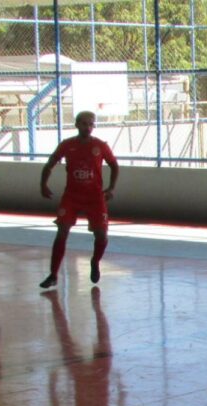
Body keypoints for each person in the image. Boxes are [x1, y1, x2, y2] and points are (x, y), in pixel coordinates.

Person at [39, 111, 119, 289]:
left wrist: (111, 188)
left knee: (102, 236)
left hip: (95, 197)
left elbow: (114, 165)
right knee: (62, 232)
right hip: (72, 196)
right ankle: (53, 274)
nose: (87, 127)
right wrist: (43, 185)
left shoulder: (100, 146)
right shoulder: (67, 145)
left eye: (91, 124)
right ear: (76, 125)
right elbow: (50, 164)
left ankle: (95, 261)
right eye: (84, 124)